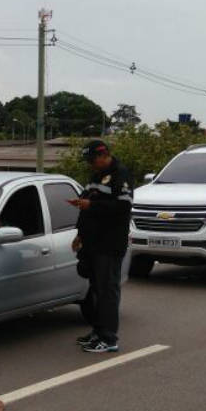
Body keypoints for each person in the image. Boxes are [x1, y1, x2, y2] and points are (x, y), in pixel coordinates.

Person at [70, 139, 133, 353]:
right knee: (96, 290)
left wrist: (92, 205)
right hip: (93, 242)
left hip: (110, 242)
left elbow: (123, 206)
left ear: (102, 155)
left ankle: (109, 338)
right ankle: (97, 332)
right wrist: (80, 233)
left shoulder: (120, 174)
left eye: (91, 160)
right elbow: (86, 205)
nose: (90, 164)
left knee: (107, 291)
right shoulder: (96, 175)